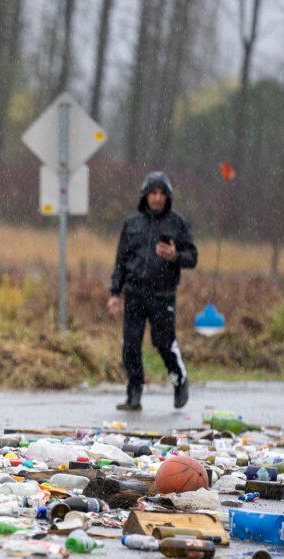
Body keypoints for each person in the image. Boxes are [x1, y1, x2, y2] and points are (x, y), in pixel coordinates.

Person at [107, 171, 197, 411]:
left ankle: (179, 381)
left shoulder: (177, 223)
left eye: (161, 194)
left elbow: (192, 257)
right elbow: (120, 262)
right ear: (145, 195)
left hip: (163, 293)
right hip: (135, 292)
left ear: (168, 197)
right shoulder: (132, 223)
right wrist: (115, 293)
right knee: (130, 345)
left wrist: (175, 255)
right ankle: (134, 393)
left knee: (163, 342)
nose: (157, 198)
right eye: (153, 193)